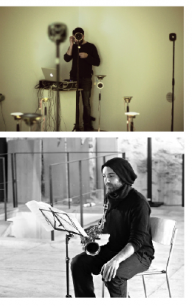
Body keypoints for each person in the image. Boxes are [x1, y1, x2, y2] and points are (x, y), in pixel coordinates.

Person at [71, 157, 154, 298]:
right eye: (104, 176)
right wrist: (90, 230)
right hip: (114, 248)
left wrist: (115, 260)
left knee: (114, 275)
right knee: (78, 263)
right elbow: (108, 224)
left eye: (111, 176)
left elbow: (137, 240)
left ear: (123, 176)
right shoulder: (110, 197)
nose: (106, 180)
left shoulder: (139, 203)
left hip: (139, 253)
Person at [64, 27, 100, 131]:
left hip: (86, 79)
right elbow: (66, 58)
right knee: (74, 103)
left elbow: (97, 62)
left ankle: (87, 126)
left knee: (86, 103)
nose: (78, 37)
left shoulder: (91, 46)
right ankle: (75, 125)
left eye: (80, 35)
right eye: (76, 36)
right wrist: (71, 44)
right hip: (74, 78)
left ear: (83, 36)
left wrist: (87, 56)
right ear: (74, 36)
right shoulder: (73, 47)